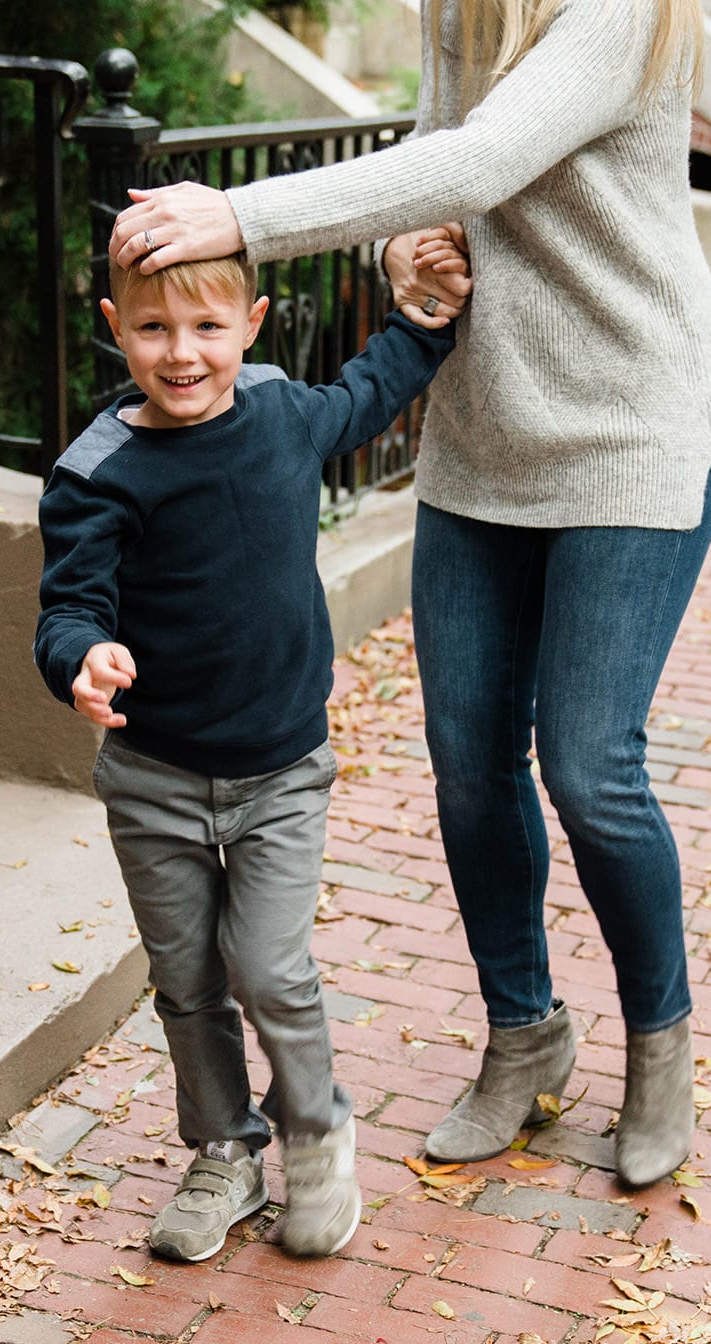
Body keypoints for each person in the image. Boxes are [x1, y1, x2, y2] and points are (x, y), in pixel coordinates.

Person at [107, 0, 711, 1189]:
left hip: (628, 433)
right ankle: (524, 1037)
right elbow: (439, 173)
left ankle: (659, 1051)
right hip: (484, 433)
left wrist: (238, 213)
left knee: (592, 767)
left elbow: (486, 157)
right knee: (466, 765)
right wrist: (403, 247)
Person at [35, 243, 471, 1261]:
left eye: (206, 328)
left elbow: (371, 388)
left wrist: (427, 315)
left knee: (269, 968)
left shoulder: (279, 415)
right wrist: (81, 659)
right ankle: (225, 1151)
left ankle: (315, 1130)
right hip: (153, 781)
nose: (181, 353)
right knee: (186, 978)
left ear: (254, 322)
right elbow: (70, 601)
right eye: (153, 328)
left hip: (281, 769)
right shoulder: (98, 474)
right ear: (114, 324)